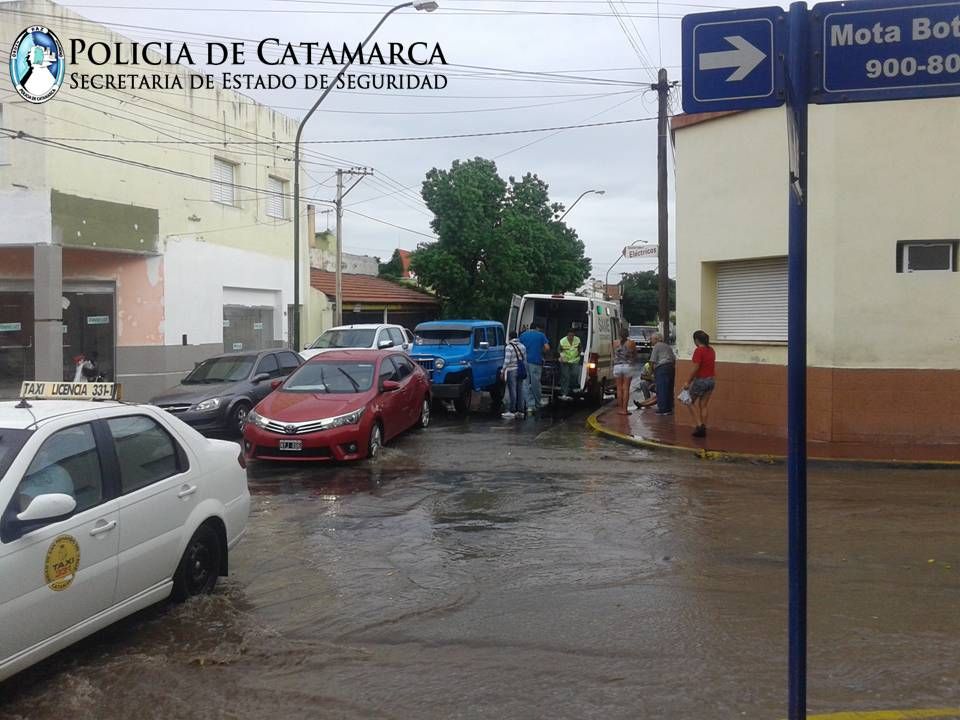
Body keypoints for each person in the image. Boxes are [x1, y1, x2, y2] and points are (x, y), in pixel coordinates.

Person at [682, 330, 717, 438]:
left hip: (701, 380)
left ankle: (699, 425)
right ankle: (704, 427)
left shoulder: (698, 350)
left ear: (696, 340)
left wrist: (688, 381)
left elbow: (695, 368)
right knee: (703, 405)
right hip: (711, 380)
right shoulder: (711, 350)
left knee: (689, 401)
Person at [519, 322, 550, 415]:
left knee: (525, 383)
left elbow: (519, 347)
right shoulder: (541, 335)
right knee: (535, 383)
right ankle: (537, 404)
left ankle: (529, 405)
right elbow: (547, 348)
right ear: (537, 328)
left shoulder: (523, 335)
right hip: (536, 362)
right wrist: (541, 351)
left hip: (524, 362)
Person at [501, 331, 528, 419]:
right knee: (520, 390)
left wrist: (503, 371)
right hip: (520, 370)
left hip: (511, 370)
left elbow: (507, 361)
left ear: (509, 337)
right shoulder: (522, 346)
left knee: (512, 390)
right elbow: (525, 360)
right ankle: (520, 411)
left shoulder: (509, 347)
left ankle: (512, 410)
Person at [649, 332, 677, 416]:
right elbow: (673, 358)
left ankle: (663, 409)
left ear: (656, 339)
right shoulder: (667, 346)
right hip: (671, 368)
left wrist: (651, 372)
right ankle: (669, 408)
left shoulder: (657, 346)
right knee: (669, 388)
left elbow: (652, 361)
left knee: (661, 389)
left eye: (651, 339)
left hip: (662, 368)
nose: (650, 340)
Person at [612, 327, 637, 415]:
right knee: (626, 388)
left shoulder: (615, 342)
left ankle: (620, 409)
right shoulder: (631, 343)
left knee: (619, 389)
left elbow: (613, 354)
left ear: (619, 334)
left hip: (617, 366)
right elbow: (635, 355)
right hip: (628, 366)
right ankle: (625, 410)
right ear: (627, 334)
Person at [558, 328, 582, 401]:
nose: (571, 337)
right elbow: (559, 349)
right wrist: (562, 356)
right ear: (567, 335)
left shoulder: (577, 340)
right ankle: (564, 393)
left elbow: (580, 348)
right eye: (569, 335)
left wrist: (579, 354)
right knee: (565, 376)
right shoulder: (562, 341)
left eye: (572, 336)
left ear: (574, 335)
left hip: (575, 360)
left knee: (575, 374)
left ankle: (573, 387)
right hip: (565, 361)